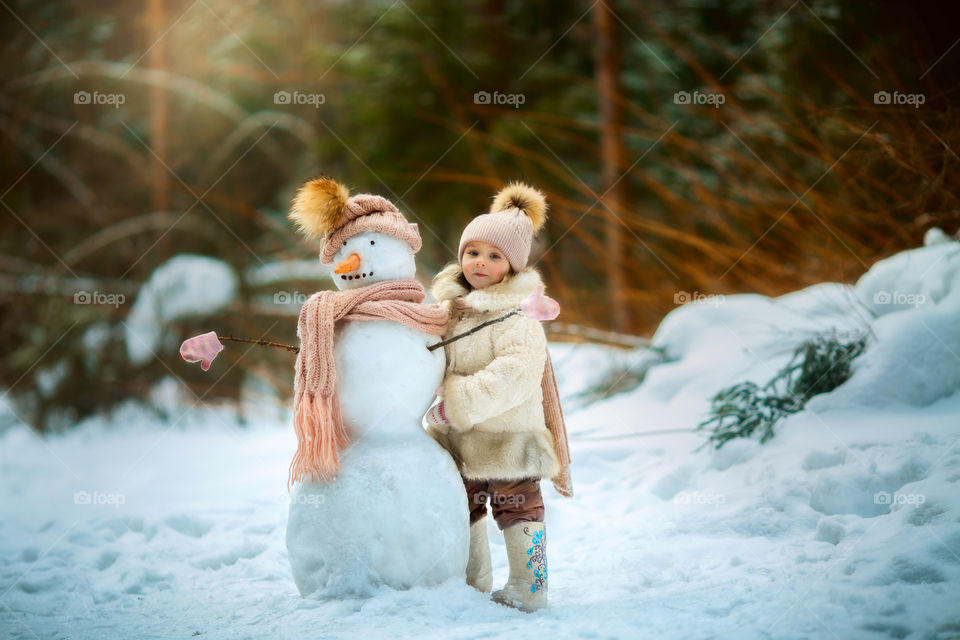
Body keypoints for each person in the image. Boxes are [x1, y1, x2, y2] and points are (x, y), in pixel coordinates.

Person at [425, 182, 572, 613]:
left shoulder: (517, 315)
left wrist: (458, 403)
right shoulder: (450, 311)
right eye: (473, 252)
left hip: (509, 434)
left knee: (518, 508)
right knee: (463, 505)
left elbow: (515, 375)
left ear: (511, 266)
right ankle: (471, 582)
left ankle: (531, 586)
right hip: (459, 437)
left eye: (494, 256)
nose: (480, 262)